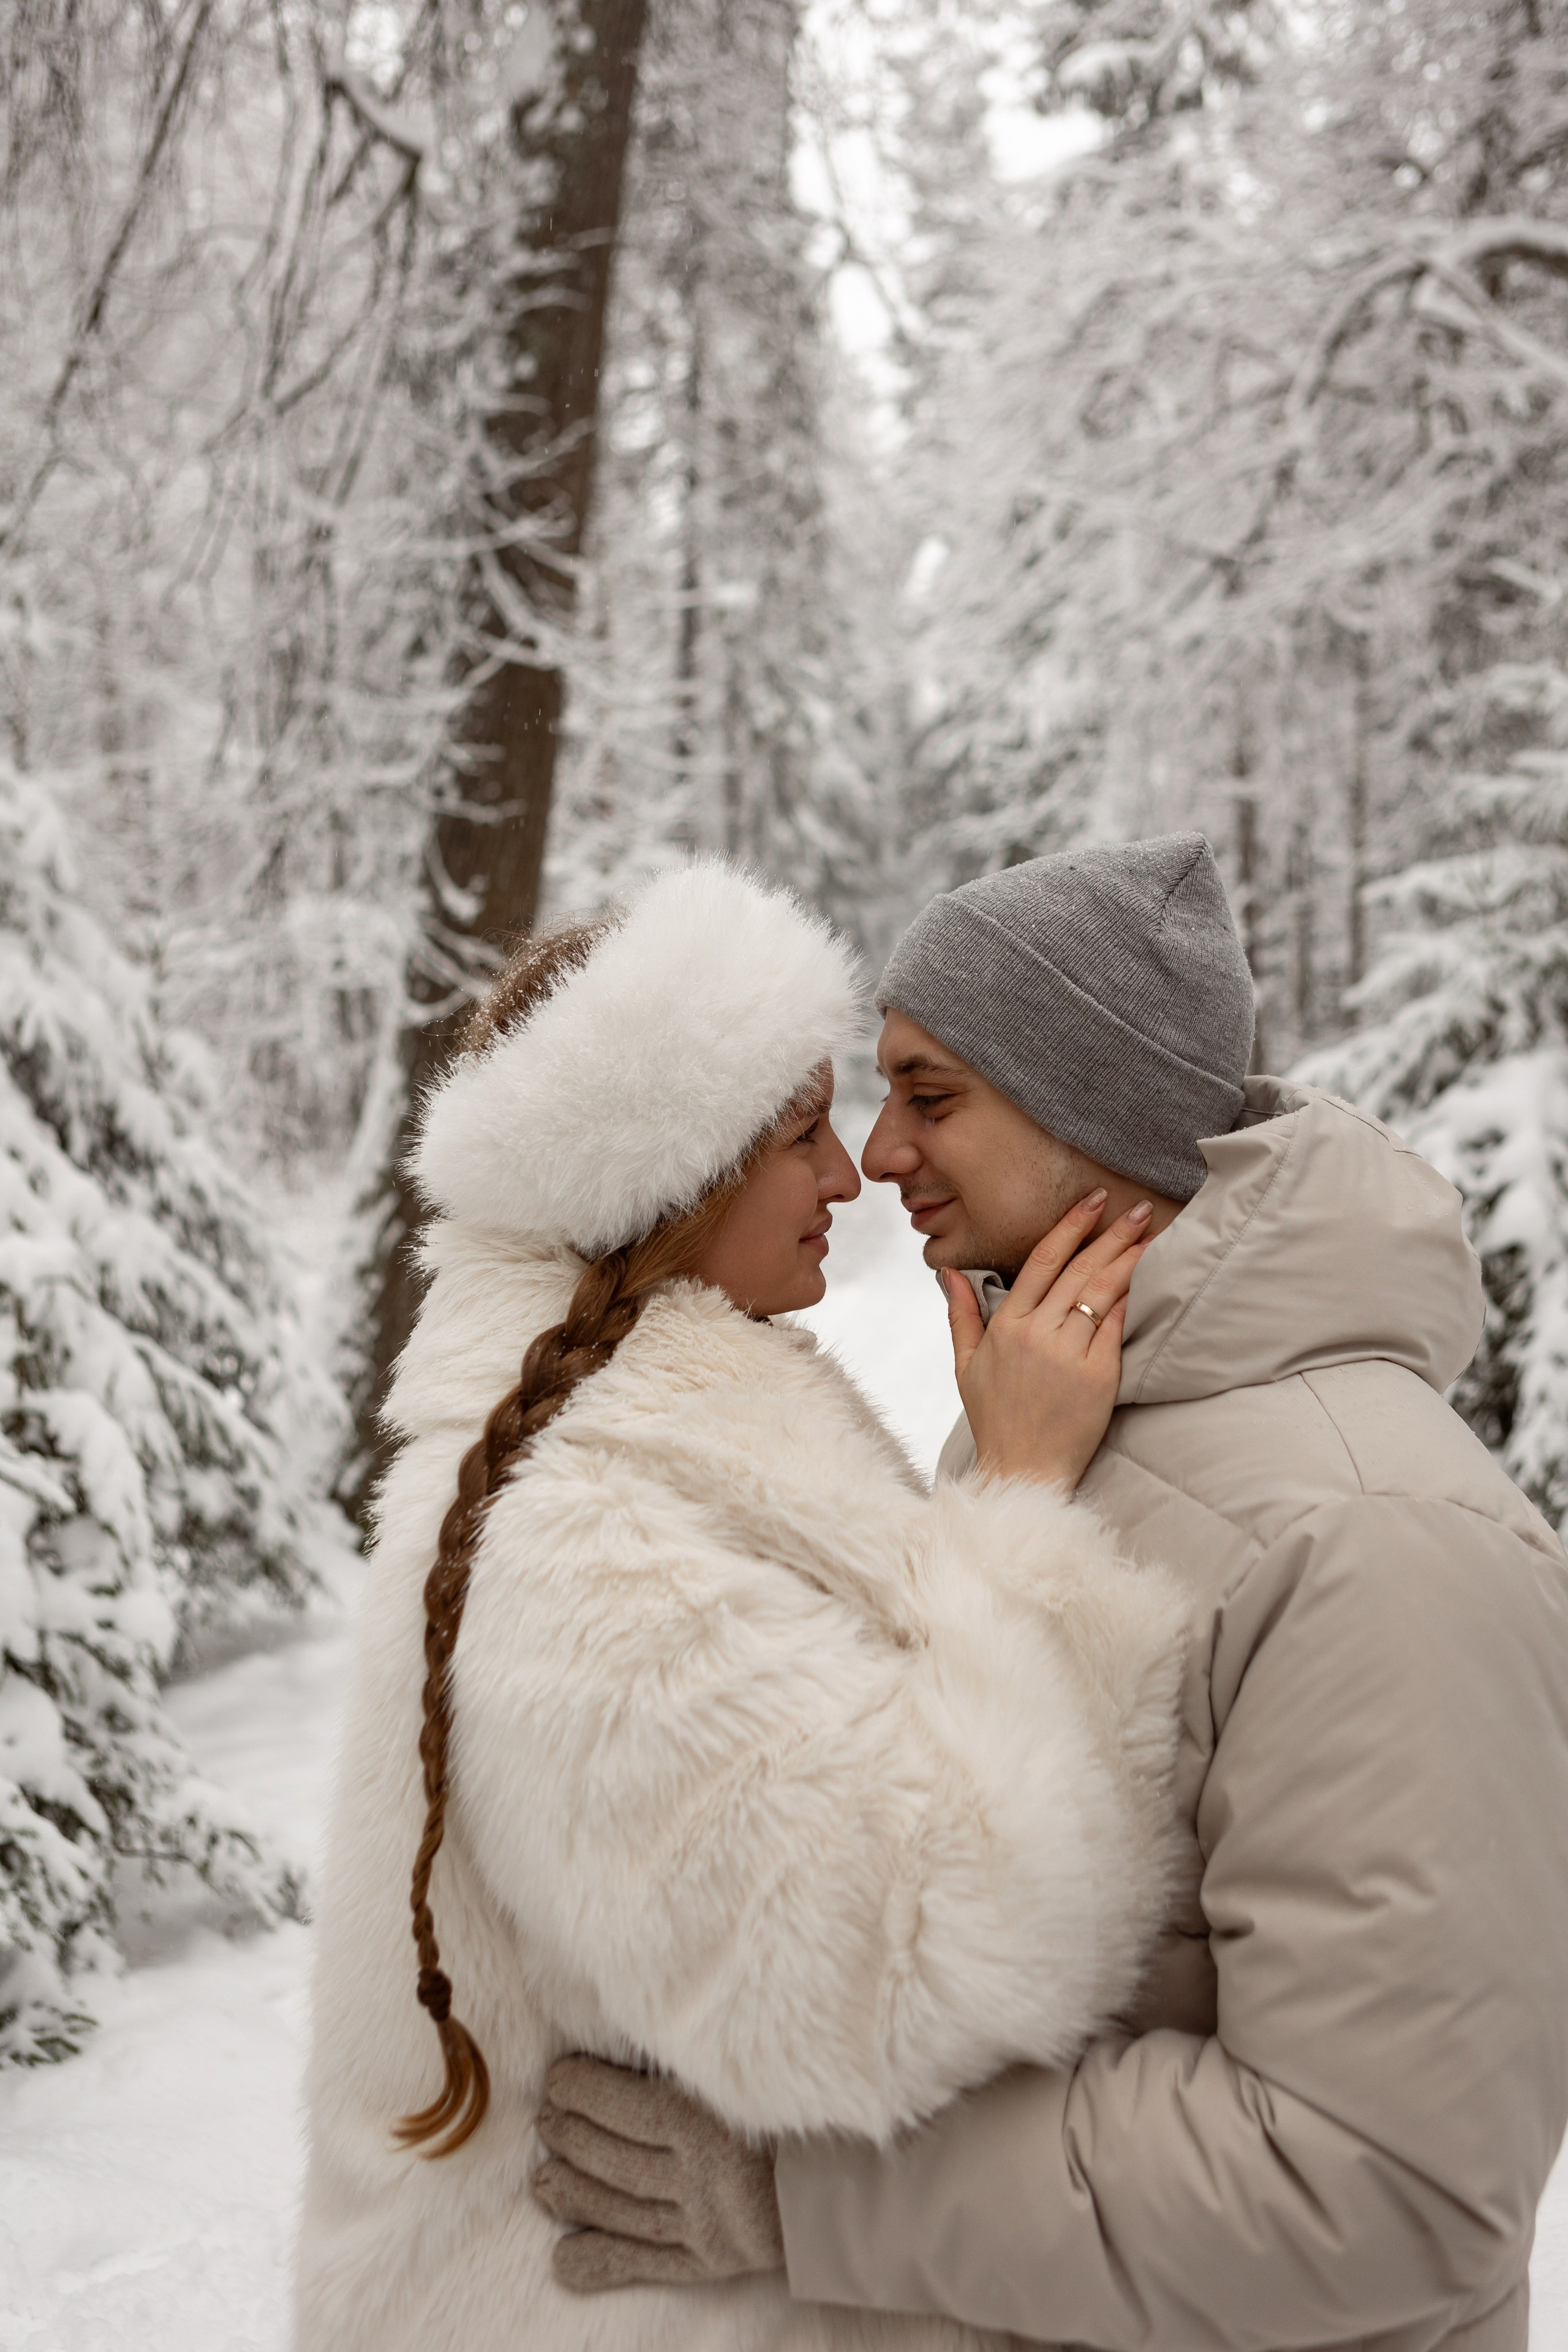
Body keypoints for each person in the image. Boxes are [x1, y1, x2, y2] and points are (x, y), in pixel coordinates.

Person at [535, 834, 1568, 2352]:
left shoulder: (1376, 1538)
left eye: (930, 1096)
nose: (878, 1156)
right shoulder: (1053, 1425)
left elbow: (1386, 2186)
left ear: (1103, 1114)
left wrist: (815, 2196)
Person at [293, 859, 1187, 2352]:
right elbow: (928, 1961)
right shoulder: (585, 1549)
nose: (848, 1177)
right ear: (663, 1185)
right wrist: (1021, 1503)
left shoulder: (646, 1443)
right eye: (795, 1137)